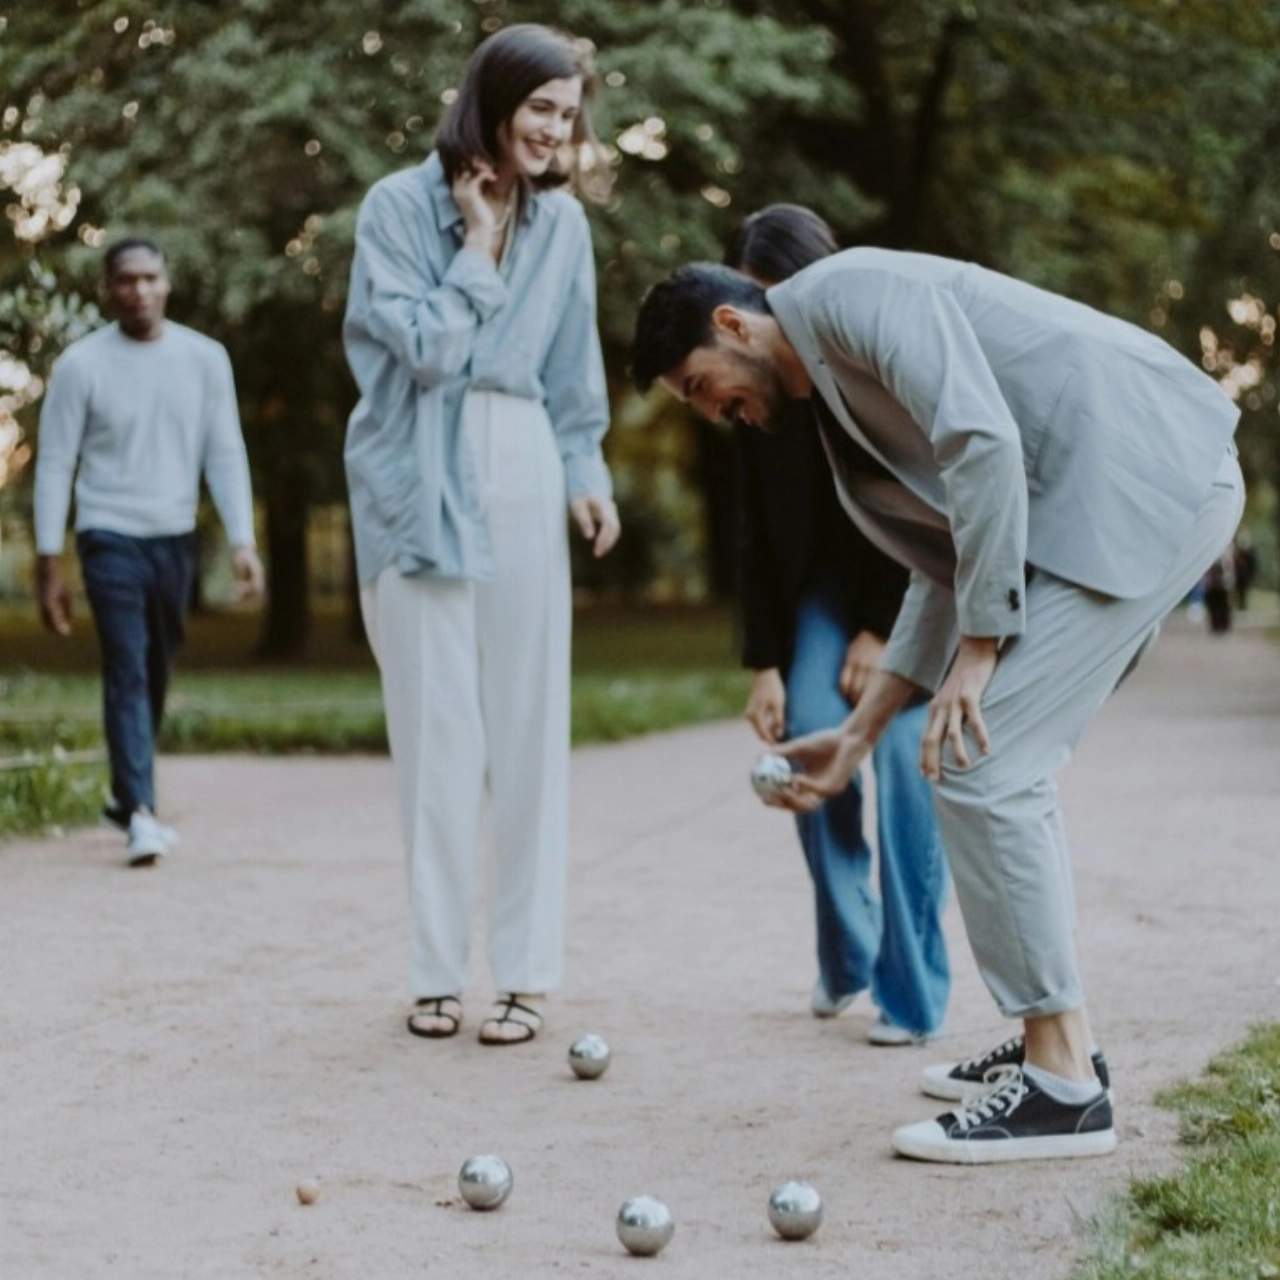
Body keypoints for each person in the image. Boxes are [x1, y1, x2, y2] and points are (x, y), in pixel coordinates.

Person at [630, 249, 1242, 1162]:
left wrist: (983, 649)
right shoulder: (829, 391)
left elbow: (981, 443)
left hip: (1143, 483)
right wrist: (857, 734)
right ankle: (1058, 1044)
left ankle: (1064, 1084)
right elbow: (947, 555)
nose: (718, 412)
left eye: (699, 386)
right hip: (1104, 508)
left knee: (984, 760)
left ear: (732, 325)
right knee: (995, 763)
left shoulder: (848, 296)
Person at [343, 24, 620, 1047]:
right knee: (434, 733)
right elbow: (420, 352)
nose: (555, 129)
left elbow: (572, 378)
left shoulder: (565, 231)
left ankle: (526, 971)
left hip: (522, 452)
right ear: (492, 101)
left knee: (526, 722)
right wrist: (470, 241)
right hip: (416, 467)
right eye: (540, 108)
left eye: (567, 111)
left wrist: (585, 474)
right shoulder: (394, 207)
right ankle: (433, 971)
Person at [727, 206, 949, 1043]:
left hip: (914, 580)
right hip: (817, 590)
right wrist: (763, 663)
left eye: (775, 297)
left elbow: (927, 501)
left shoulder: (872, 357)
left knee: (901, 759)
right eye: (750, 303)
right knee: (807, 744)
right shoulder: (747, 385)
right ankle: (848, 952)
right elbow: (751, 530)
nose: (764, 322)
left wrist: (885, 628)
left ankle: (910, 989)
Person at [33, 237, 264, 866]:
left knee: (157, 665)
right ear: (107, 289)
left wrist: (243, 540)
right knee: (127, 666)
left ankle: (124, 791)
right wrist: (48, 561)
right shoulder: (82, 365)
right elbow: (54, 463)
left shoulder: (205, 359)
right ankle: (140, 810)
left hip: (173, 536)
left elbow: (225, 452)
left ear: (167, 282)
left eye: (150, 278)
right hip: (108, 534)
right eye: (126, 280)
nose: (139, 291)